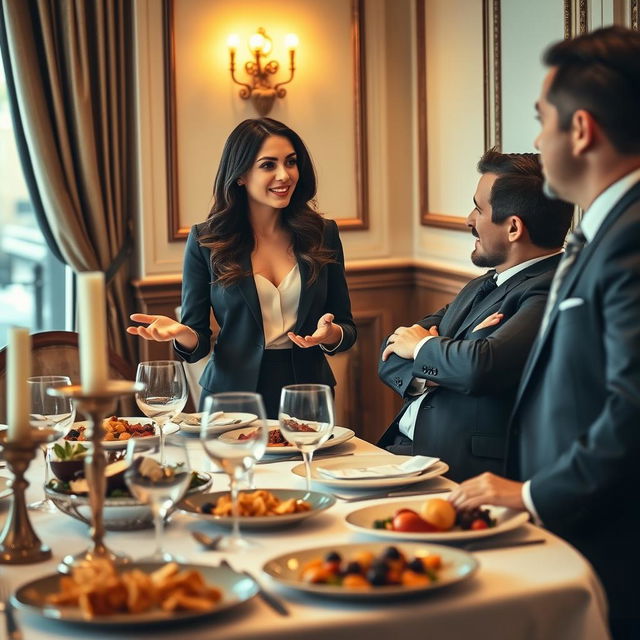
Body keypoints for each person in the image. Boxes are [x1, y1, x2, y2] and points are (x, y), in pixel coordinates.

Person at [449, 27, 640, 639]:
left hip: (609, 537)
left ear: (580, 130)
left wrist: (531, 494)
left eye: (542, 119)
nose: (537, 139)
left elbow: (632, 409)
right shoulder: (603, 232)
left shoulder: (632, 237)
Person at [128, 118, 356, 417]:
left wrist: (331, 334)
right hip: (230, 397)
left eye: (290, 162)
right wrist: (182, 332)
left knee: (305, 465)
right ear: (240, 176)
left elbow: (347, 327)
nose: (284, 175)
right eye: (267, 165)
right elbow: (196, 343)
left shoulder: (322, 234)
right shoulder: (207, 241)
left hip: (307, 394)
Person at [377, 149, 573, 482]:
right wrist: (450, 357)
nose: (469, 219)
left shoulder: (549, 290)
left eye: (479, 209)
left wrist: (427, 350)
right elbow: (392, 349)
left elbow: (482, 367)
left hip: (461, 471)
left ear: (513, 228)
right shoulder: (484, 283)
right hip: (403, 454)